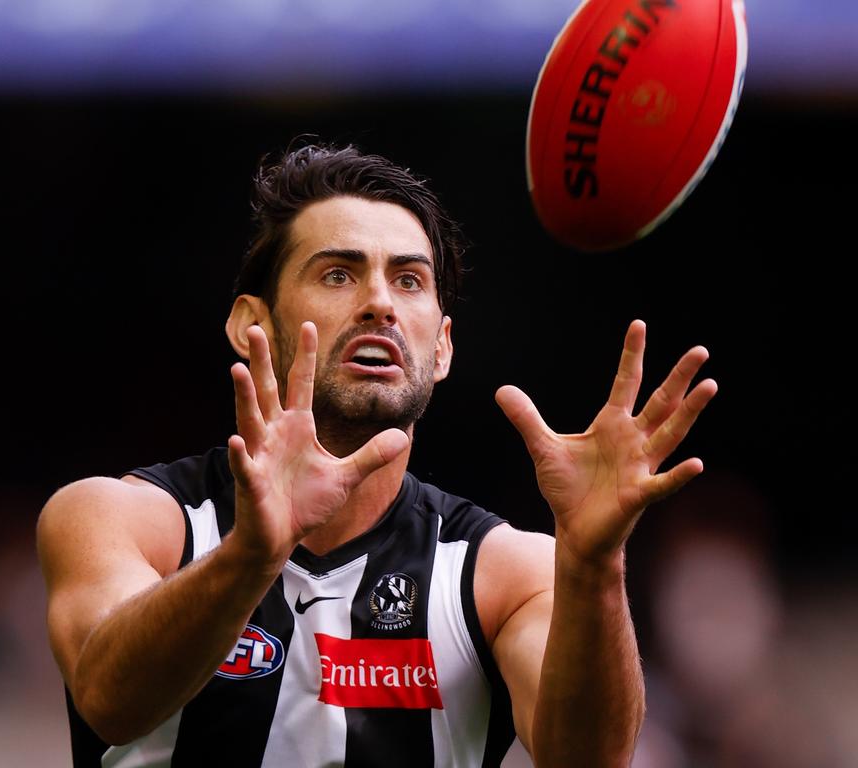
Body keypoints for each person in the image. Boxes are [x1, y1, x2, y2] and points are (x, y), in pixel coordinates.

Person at [37, 143, 717, 767]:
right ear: (252, 323)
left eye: (410, 281)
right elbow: (109, 700)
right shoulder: (121, 518)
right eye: (338, 274)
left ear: (442, 347)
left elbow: (587, 762)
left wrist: (596, 566)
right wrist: (251, 555)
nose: (380, 305)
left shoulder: (503, 574)